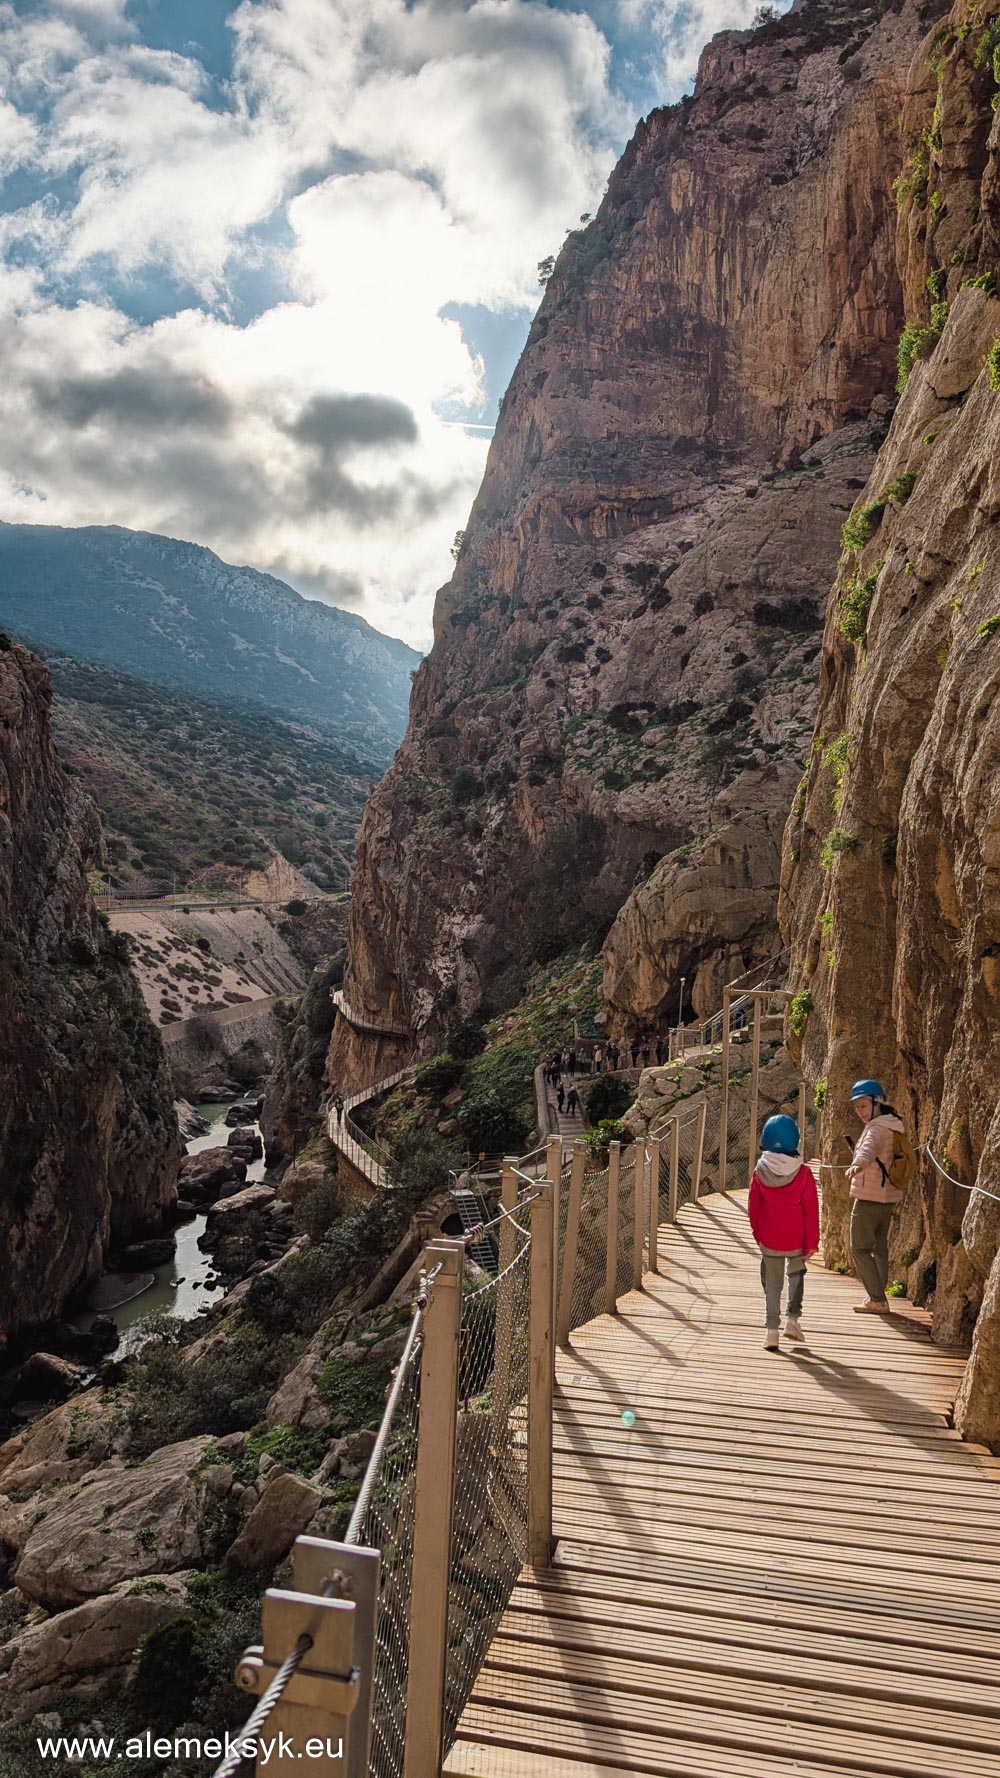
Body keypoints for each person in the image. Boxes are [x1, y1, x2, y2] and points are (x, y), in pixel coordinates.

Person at [748, 1113, 819, 1350]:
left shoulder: (759, 1172)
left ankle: (771, 1333)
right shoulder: (804, 1174)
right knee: (796, 1277)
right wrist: (812, 1242)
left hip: (769, 1237)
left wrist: (759, 1234)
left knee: (772, 1284)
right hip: (797, 1238)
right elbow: (811, 1211)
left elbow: (753, 1208)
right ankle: (792, 1320)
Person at [847, 1077, 906, 1314]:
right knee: (879, 1247)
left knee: (859, 1248)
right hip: (887, 1196)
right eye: (856, 1107)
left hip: (869, 1197)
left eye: (863, 1105)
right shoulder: (893, 1124)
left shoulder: (877, 1129)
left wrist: (857, 1164)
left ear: (876, 1102)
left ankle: (877, 1299)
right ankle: (879, 1295)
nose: (859, 1111)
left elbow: (869, 1149)